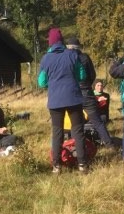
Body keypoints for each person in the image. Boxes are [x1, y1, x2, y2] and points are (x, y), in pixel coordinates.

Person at [38, 27, 88, 174]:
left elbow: (41, 82)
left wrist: (52, 83)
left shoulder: (46, 58)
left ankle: (56, 166)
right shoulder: (72, 54)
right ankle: (82, 164)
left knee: (57, 132)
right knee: (78, 131)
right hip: (74, 98)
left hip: (55, 101)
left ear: (50, 42)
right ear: (61, 41)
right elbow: (82, 75)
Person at [65, 37, 114, 147]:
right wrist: (87, 85)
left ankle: (76, 145)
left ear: (68, 47)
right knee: (97, 122)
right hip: (86, 93)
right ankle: (109, 144)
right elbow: (92, 75)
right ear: (79, 47)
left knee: (75, 123)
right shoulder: (85, 57)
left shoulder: (66, 59)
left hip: (72, 94)